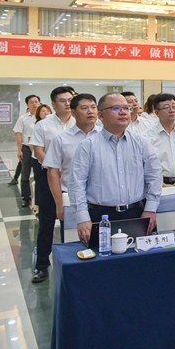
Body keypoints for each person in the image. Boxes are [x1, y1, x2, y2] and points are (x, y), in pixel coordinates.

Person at [70, 93, 162, 245]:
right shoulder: (88, 145)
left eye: (126, 108)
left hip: (137, 214)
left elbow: (154, 176)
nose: (123, 112)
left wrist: (151, 209)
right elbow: (77, 183)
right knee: (102, 258)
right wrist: (82, 218)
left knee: (141, 257)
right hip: (100, 216)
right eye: (116, 108)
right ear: (101, 115)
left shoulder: (142, 143)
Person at [29, 87, 75, 282]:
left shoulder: (80, 123)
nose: (68, 103)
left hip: (74, 178)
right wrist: (53, 166)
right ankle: (42, 266)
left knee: (72, 222)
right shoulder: (43, 125)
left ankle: (72, 263)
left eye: (70, 100)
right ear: (54, 104)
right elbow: (38, 150)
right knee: (47, 222)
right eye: (63, 101)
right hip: (48, 177)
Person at [42, 94, 100, 242]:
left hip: (101, 200)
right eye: (84, 108)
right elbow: (53, 171)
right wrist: (59, 204)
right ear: (73, 112)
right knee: (74, 243)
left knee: (101, 243)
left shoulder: (105, 136)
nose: (90, 111)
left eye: (93, 107)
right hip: (71, 199)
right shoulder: (61, 139)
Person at [9, 95, 40, 209]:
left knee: (40, 174)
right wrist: (19, 149)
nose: (35, 104)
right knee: (25, 174)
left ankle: (39, 198)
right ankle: (26, 198)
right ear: (27, 104)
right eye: (32, 102)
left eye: (36, 102)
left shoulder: (45, 117)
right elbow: (18, 133)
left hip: (40, 149)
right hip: (27, 149)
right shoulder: (23, 118)